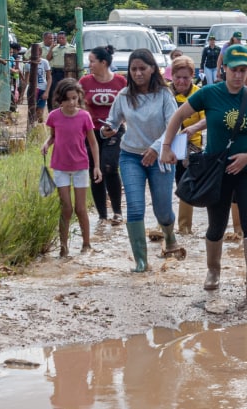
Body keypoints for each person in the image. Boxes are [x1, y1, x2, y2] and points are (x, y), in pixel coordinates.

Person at [160, 43, 247, 303]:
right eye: (234, 69)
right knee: (217, 224)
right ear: (223, 69)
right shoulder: (209, 94)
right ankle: (213, 271)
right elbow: (177, 116)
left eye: (243, 70)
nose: (238, 75)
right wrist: (167, 146)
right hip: (217, 170)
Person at [102, 48, 179, 272]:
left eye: (142, 68)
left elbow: (173, 127)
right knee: (135, 208)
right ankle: (141, 261)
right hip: (130, 156)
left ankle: (169, 234)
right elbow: (113, 122)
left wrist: (156, 148)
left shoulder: (165, 95)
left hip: (160, 156)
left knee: (162, 210)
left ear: (153, 69)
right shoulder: (124, 95)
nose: (137, 73)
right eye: (133, 69)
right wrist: (108, 130)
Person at [43, 78, 103, 257]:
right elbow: (54, 136)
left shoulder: (84, 116)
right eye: (68, 99)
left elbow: (93, 143)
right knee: (66, 208)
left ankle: (86, 244)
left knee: (81, 208)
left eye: (75, 98)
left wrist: (97, 167)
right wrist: (46, 144)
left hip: (81, 166)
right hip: (60, 166)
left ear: (79, 98)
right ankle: (63, 246)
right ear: (60, 99)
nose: (71, 102)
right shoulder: (54, 116)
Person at [79, 45, 127, 229]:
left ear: (103, 62)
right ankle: (102, 215)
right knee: (95, 171)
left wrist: (117, 124)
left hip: (114, 131)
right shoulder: (84, 82)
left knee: (109, 167)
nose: (89, 64)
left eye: (92, 61)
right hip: (91, 132)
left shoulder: (120, 82)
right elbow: (78, 104)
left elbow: (127, 106)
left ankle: (117, 212)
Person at [169, 56, 206, 236]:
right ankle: (164, 226)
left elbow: (208, 118)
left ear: (192, 76)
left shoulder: (200, 94)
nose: (181, 81)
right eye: (178, 77)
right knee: (164, 184)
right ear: (172, 76)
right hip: (166, 146)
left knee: (186, 185)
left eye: (186, 78)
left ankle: (184, 228)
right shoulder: (164, 93)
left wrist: (194, 127)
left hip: (191, 148)